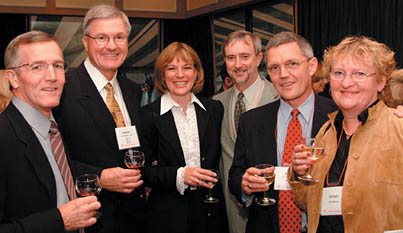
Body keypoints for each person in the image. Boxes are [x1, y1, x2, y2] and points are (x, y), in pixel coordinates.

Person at [290, 36, 403, 233]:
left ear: (381, 81)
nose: (346, 82)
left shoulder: (398, 128)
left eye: (359, 73)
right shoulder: (324, 134)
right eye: (338, 73)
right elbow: (310, 206)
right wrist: (300, 175)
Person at [228, 31, 338, 233]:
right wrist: (244, 184)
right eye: (274, 68)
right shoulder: (251, 121)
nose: (283, 74)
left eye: (292, 64)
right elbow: (235, 174)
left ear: (312, 66)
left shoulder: (338, 117)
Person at [53, 4, 146, 233]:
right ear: (86, 42)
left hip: (135, 215)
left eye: (119, 37)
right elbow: (51, 156)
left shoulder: (133, 90)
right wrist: (99, 177)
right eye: (102, 38)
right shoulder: (63, 89)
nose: (111, 46)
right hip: (90, 217)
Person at [0, 30, 100, 233]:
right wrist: (60, 221)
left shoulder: (55, 127)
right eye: (37, 67)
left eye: (57, 66)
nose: (52, 77)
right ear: (13, 78)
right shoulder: (4, 137)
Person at [141, 41, 228, 233]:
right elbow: (142, 171)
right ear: (162, 75)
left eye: (187, 67)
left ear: (196, 72)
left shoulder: (214, 109)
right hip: (167, 217)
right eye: (171, 68)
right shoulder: (148, 115)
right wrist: (179, 175)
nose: (180, 75)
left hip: (211, 212)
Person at [213, 30, 279, 233]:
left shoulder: (279, 98)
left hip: (275, 209)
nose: (238, 64)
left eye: (244, 56)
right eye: (231, 58)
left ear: (259, 58)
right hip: (234, 207)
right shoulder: (217, 104)